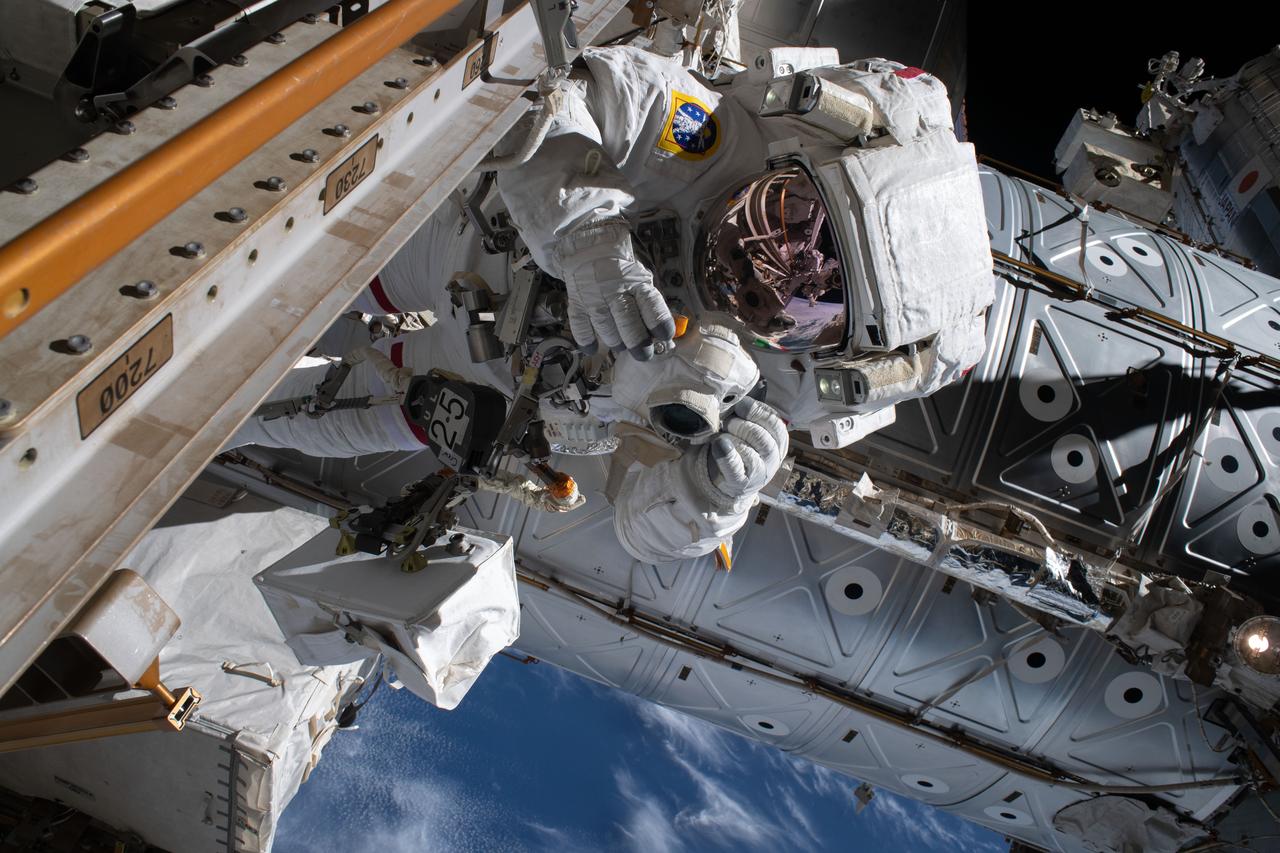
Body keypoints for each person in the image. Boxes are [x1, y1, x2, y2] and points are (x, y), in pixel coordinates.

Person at [234, 43, 994, 564]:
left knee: (270, 409)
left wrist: (710, 497)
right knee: (266, 263)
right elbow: (571, 91)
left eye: (807, 298)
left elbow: (639, 526)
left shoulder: (764, 398)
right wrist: (590, 240)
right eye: (789, 218)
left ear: (828, 355)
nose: (769, 266)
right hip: (462, 240)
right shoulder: (720, 148)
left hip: (491, 386)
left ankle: (214, 417)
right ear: (796, 162)